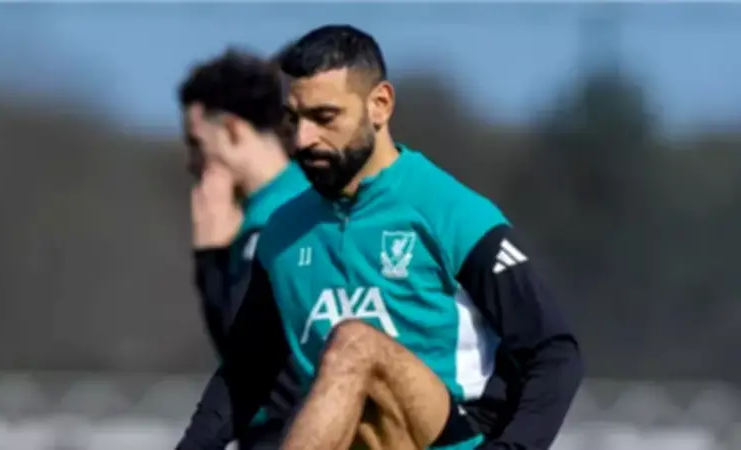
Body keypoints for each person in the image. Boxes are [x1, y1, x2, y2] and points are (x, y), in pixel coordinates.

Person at [195, 25, 584, 450]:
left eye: (325, 118)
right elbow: (244, 374)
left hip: (449, 436)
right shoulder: (283, 233)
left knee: (355, 345)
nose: (303, 139)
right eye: (294, 119)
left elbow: (554, 351)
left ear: (379, 105)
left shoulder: (452, 212)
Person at [175, 49, 310, 450]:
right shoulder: (255, 217)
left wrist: (210, 256)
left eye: (197, 143)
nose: (191, 162)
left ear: (233, 131)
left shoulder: (294, 216)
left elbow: (247, 359)